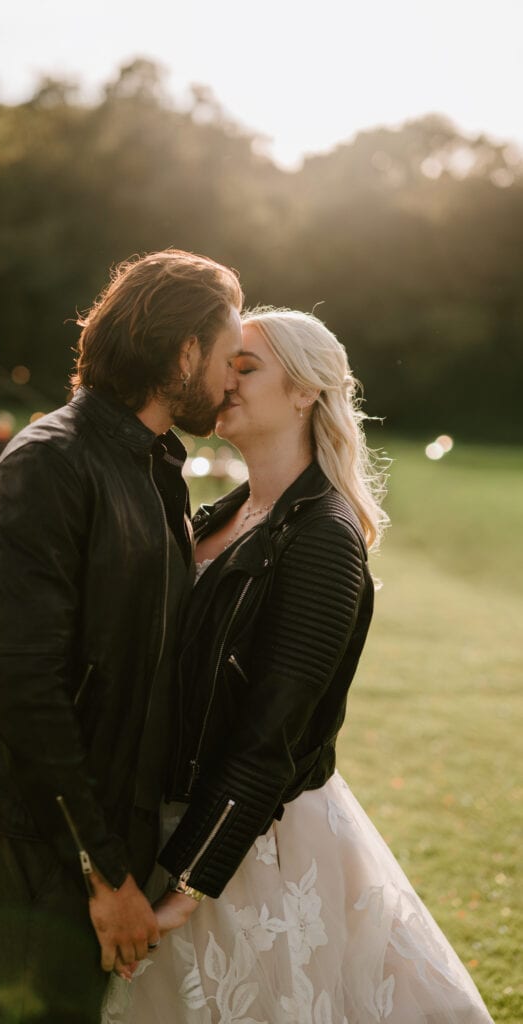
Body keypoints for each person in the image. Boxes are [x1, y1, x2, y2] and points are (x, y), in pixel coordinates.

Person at [103, 309, 493, 1023]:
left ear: (305, 390)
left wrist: (183, 893)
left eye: (244, 367)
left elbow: (270, 735)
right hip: (168, 819)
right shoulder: (220, 512)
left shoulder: (322, 537)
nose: (222, 380)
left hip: (253, 849)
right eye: (223, 363)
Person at [0, 249, 244, 1023]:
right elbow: (21, 687)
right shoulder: (49, 465)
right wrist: (103, 872)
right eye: (225, 358)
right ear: (183, 353)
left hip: (116, 822)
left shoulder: (156, 469)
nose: (228, 382)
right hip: (42, 832)